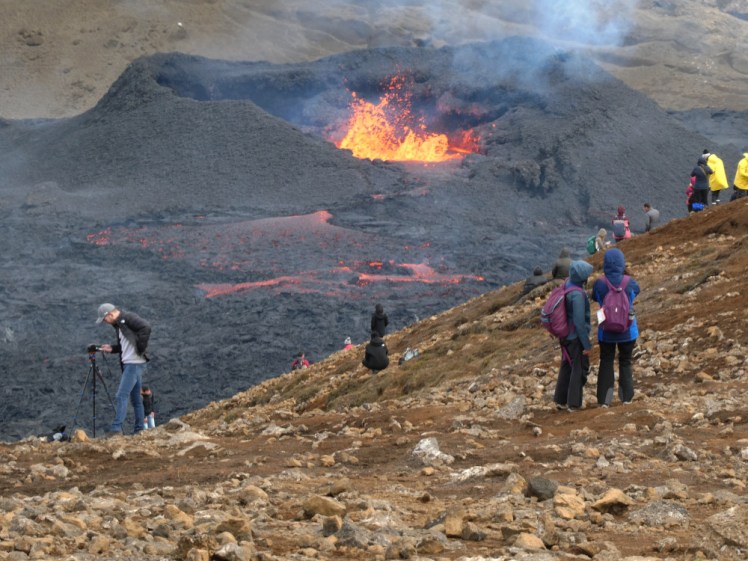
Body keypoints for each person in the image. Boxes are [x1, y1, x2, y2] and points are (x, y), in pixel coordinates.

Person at [591, 248, 641, 407]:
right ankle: (626, 398)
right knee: (625, 361)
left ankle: (604, 401)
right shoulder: (629, 282)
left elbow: (595, 298)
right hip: (628, 329)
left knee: (606, 361)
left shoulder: (600, 283)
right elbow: (636, 292)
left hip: (606, 331)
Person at [96, 303, 150, 436]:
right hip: (130, 363)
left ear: (110, 314)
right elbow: (126, 346)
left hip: (133, 363)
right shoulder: (119, 325)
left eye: (104, 319)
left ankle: (116, 430)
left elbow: (146, 327)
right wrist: (112, 349)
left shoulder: (128, 317)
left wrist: (140, 350)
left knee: (121, 395)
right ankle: (139, 430)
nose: (105, 322)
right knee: (136, 399)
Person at [553, 260, 593, 412]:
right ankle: (573, 403)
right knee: (578, 368)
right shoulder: (577, 295)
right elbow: (579, 322)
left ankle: (560, 399)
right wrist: (586, 344)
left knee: (566, 365)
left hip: (564, 335)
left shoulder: (568, 284)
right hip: (574, 337)